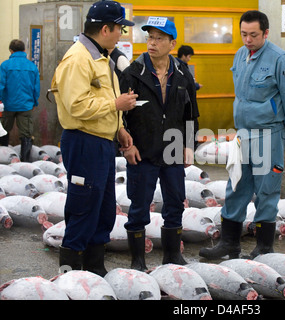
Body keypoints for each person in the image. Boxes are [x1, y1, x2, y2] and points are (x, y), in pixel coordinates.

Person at [199, 10, 285, 260]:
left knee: (266, 190)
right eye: (244, 34)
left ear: (265, 33)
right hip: (243, 135)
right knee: (236, 185)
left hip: (269, 133)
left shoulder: (280, 59)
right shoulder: (240, 55)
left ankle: (264, 248)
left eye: (253, 35)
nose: (248, 39)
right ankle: (229, 244)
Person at [51, 0, 137, 276]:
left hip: (101, 142)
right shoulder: (79, 59)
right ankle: (71, 267)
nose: (121, 34)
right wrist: (116, 106)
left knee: (102, 207)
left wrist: (119, 128)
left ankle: (95, 266)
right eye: (119, 29)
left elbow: (100, 99)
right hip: (83, 141)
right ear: (105, 29)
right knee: (83, 205)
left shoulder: (102, 57)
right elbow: (76, 105)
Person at [119, 17, 199, 270]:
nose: (152, 43)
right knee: (139, 207)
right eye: (150, 37)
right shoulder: (132, 73)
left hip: (174, 149)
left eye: (159, 38)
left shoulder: (184, 74)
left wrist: (188, 144)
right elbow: (118, 116)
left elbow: (191, 114)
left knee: (175, 203)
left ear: (172, 43)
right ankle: (138, 261)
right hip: (142, 151)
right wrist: (126, 145)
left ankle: (172, 256)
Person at [0, 39, 40, 161]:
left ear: (11, 51)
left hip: (8, 105)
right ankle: (25, 162)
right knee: (26, 135)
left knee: (3, 132)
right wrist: (34, 102)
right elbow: (36, 87)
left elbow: (1, 85)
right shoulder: (32, 67)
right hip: (26, 105)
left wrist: (1, 101)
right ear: (24, 50)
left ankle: (2, 160)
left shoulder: (5, 65)